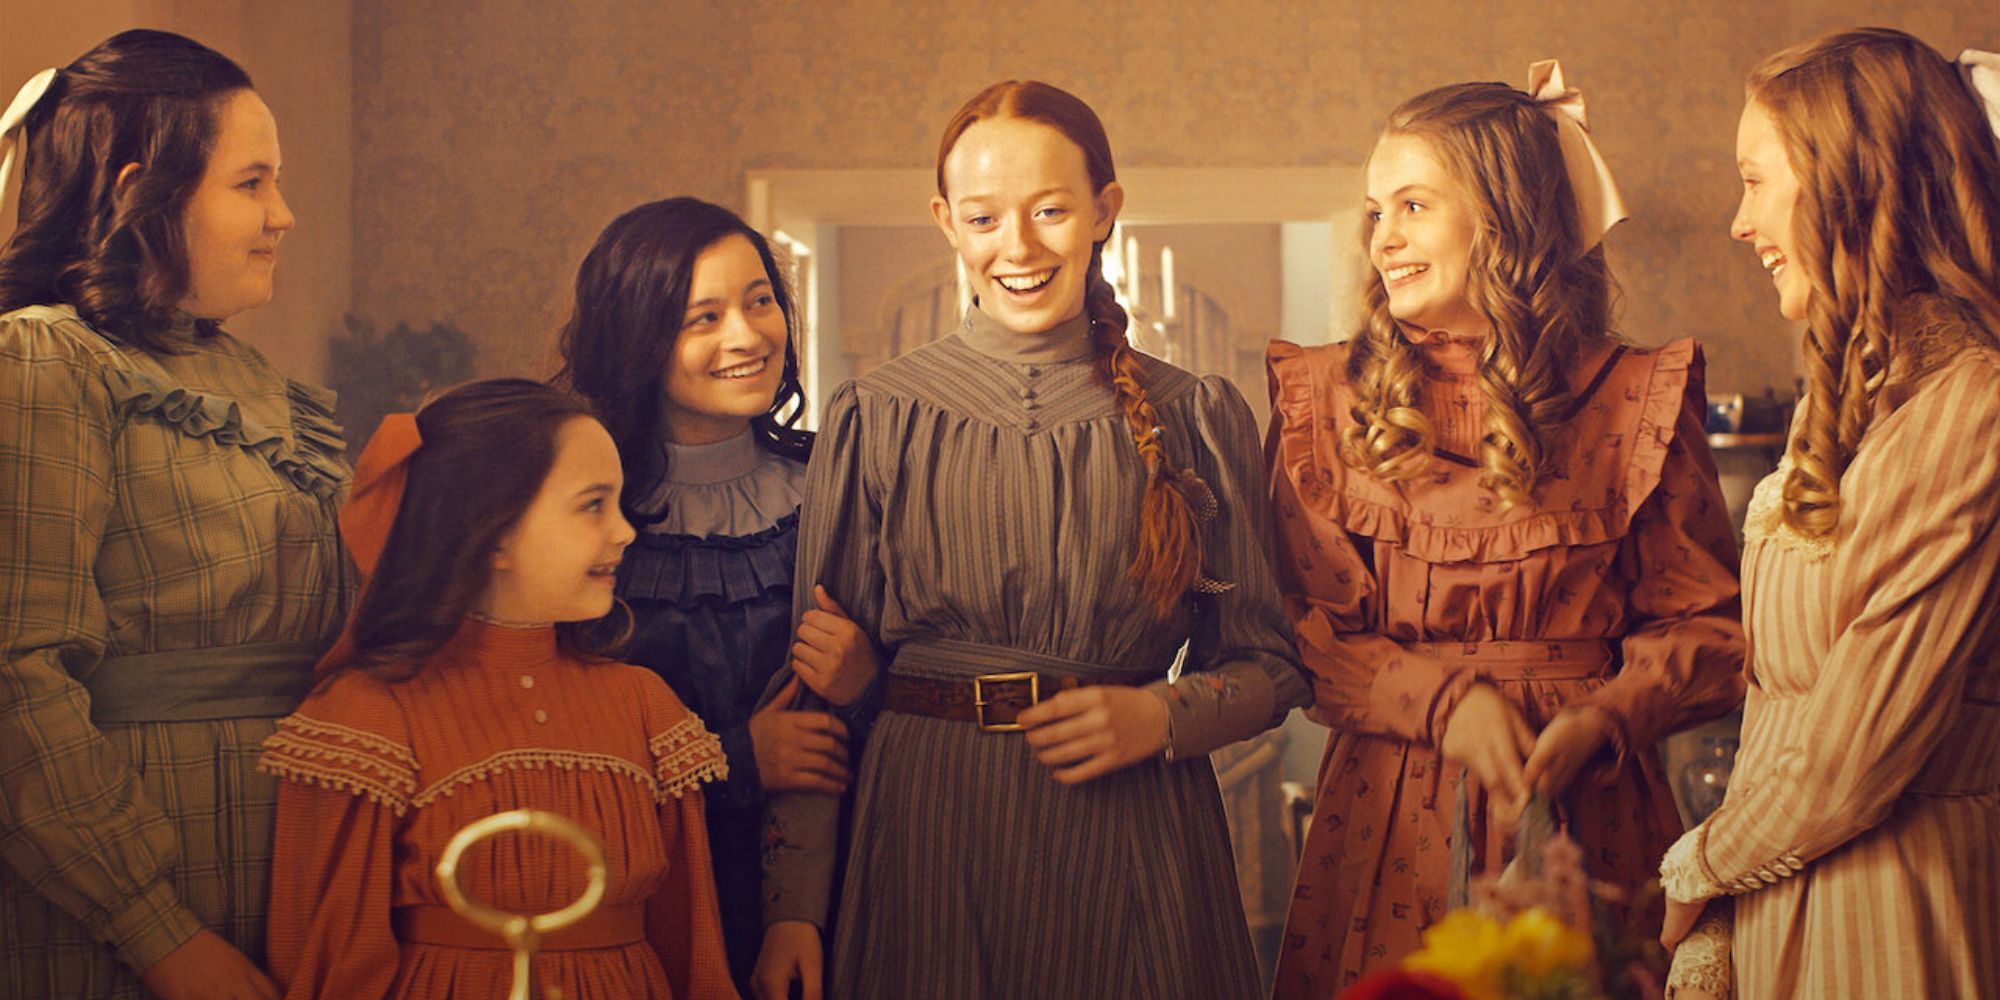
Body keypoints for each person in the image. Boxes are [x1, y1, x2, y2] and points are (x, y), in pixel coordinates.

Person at [749, 79, 1311, 1000]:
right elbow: (810, 699)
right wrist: (793, 909)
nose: (1017, 246)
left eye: (1050, 210)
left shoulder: (1195, 414)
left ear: (1105, 211)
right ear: (945, 222)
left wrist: (1159, 715)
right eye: (983, 218)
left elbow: (1272, 666)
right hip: (926, 831)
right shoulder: (877, 415)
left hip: (1136, 830)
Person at [1267, 63, 1746, 996]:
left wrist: (1608, 715)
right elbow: (1302, 629)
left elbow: (1709, 631)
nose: (1384, 238)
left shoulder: (1635, 396)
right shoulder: (1325, 400)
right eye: (1376, 211)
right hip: (1389, 813)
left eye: (1412, 205)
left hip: (1590, 809)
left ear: (1503, 218)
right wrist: (1444, 703)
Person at [0, 29, 350, 999]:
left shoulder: (249, 376)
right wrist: (157, 933)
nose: (284, 215)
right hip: (121, 912)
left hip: (281, 885)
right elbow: (15, 674)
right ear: (134, 191)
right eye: (251, 184)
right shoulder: (42, 362)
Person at [1659, 29, 2000, 998]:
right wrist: (1729, 916)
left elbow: (1856, 750)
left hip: (1892, 912)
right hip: (1785, 891)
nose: (1736, 221)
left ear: (1851, 182)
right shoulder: (1846, 394)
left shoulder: (1969, 402)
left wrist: (1699, 868)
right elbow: (1783, 709)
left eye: (1754, 181)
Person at [261, 379, 736, 998]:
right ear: (494, 530)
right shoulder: (368, 719)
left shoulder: (645, 707)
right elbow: (328, 965)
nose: (624, 531)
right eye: (593, 504)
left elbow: (691, 945)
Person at [553, 196, 876, 993]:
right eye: (704, 316)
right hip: (630, 898)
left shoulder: (838, 485)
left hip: (830, 887)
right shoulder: (577, 508)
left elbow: (890, 710)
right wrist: (735, 760)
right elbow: (545, 734)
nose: (748, 335)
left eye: (760, 300)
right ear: (637, 338)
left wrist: (868, 680)